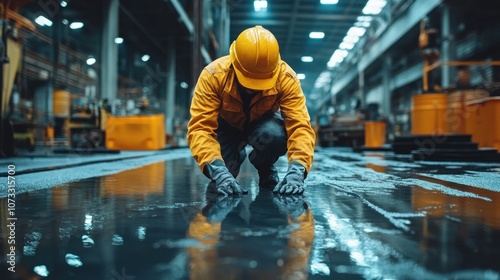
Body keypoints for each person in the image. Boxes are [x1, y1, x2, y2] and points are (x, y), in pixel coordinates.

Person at [187, 25, 316, 196]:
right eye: (248, 82)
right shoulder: (213, 76)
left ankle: (265, 167)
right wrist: (218, 169)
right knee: (225, 174)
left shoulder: (286, 79)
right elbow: (201, 128)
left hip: (263, 126)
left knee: (274, 134)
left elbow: (299, 127)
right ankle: (234, 157)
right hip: (227, 126)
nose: (253, 89)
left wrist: (297, 171)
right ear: (234, 64)